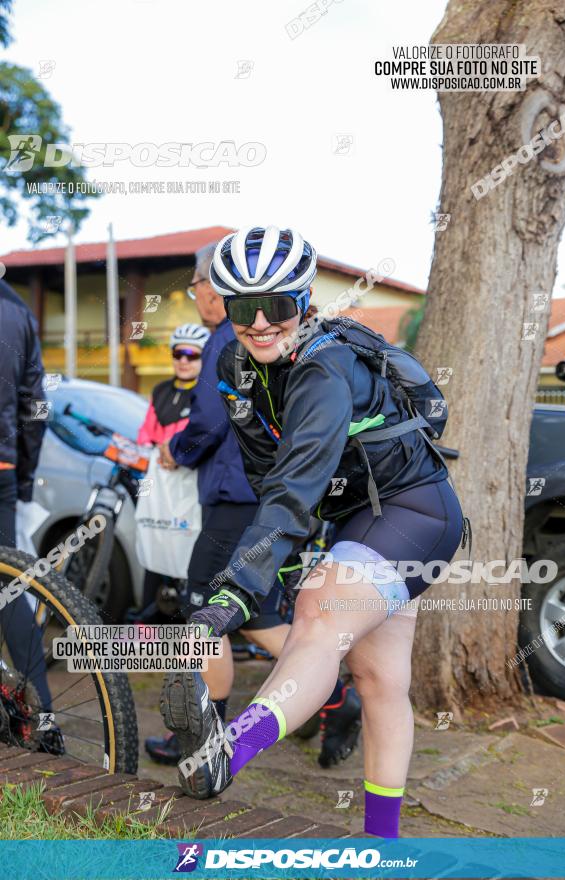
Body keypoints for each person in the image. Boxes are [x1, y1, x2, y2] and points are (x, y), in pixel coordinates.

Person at [159, 226, 465, 838]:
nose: (263, 323)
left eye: (279, 306)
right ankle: (382, 842)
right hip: (353, 517)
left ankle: (227, 752)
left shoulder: (325, 369)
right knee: (380, 679)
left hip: (415, 511)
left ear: (303, 302)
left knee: (319, 616)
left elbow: (294, 489)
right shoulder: (234, 363)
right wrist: (282, 559)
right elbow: (266, 474)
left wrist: (234, 593)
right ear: (226, 307)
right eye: (246, 309)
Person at [146, 243, 361, 769]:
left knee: (206, 607)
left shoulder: (231, 339)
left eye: (197, 287)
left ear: (211, 289)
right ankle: (331, 693)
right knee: (256, 612)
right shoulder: (264, 337)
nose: (198, 296)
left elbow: (212, 421)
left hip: (240, 495)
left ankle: (203, 734)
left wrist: (177, 450)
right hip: (261, 496)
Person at [0, 278, 62, 754]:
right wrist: (22, 476)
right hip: (2, 465)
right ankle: (44, 718)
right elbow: (36, 404)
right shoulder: (19, 313)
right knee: (8, 587)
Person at [134, 323, 210, 621]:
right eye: (179, 353)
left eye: (192, 354)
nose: (184, 360)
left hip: (193, 485)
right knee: (156, 540)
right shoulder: (160, 390)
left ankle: (192, 623)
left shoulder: (208, 393)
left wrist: (176, 450)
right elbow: (145, 434)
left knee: (190, 550)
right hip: (160, 483)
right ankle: (147, 621)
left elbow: (201, 434)